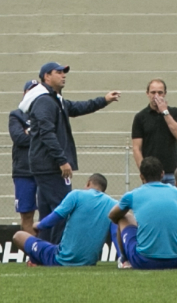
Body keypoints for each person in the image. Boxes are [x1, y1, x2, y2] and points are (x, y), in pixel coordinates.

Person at [20, 62, 121, 245]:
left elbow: (78, 107)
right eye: (58, 72)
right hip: (50, 165)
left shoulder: (55, 100)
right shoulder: (44, 101)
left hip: (45, 165)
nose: (63, 75)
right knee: (61, 211)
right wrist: (62, 160)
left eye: (64, 72)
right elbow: (46, 132)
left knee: (47, 212)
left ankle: (40, 254)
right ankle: (56, 251)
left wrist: (104, 100)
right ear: (46, 77)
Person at [12, 173, 116, 267]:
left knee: (19, 236)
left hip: (61, 259)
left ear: (88, 183)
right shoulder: (113, 204)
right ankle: (36, 260)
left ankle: (36, 260)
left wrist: (38, 226)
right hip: (89, 262)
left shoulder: (76, 195)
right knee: (52, 247)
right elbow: (116, 232)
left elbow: (53, 219)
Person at [110, 156, 177, 270]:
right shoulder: (176, 192)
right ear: (162, 174)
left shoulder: (133, 195)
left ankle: (125, 260)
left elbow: (112, 216)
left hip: (145, 261)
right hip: (176, 261)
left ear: (141, 176)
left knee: (124, 217)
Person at [131, 79, 177, 184]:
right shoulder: (140, 117)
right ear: (147, 94)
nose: (156, 96)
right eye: (153, 92)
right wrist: (144, 172)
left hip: (171, 172)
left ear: (165, 94)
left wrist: (165, 112)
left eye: (160, 92)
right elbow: (137, 148)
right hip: (151, 175)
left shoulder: (174, 112)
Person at [8, 80, 38, 232]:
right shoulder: (16, 115)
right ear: (24, 93)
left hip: (44, 171)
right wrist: (38, 134)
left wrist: (30, 132)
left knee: (50, 213)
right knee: (26, 214)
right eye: (30, 91)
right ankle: (31, 253)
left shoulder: (47, 112)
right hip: (23, 172)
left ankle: (47, 252)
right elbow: (19, 138)